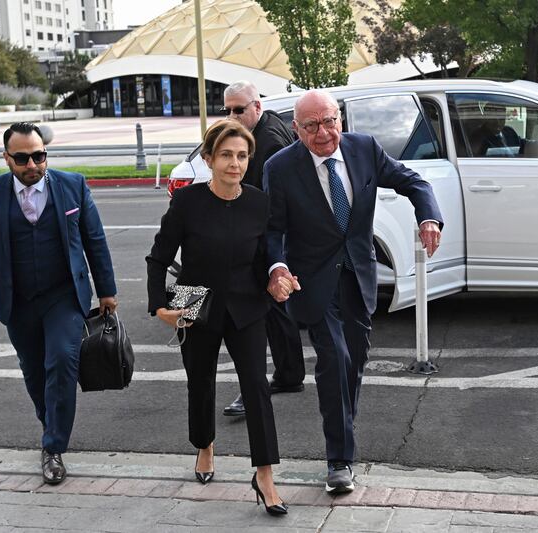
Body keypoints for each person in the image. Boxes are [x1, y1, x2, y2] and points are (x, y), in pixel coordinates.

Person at [263, 90, 443, 494]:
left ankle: (341, 421)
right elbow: (272, 230)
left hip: (359, 275)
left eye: (329, 121)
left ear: (340, 119)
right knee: (334, 356)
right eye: (311, 126)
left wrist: (429, 217)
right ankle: (339, 459)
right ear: (296, 129)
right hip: (310, 281)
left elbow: (413, 182)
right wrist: (277, 267)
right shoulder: (281, 167)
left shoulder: (364, 149)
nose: (323, 133)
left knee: (355, 358)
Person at [0, 122, 117, 485]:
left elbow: (94, 239)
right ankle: (52, 425)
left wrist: (107, 290)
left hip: (63, 295)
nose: (32, 164)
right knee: (34, 372)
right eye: (22, 158)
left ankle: (53, 447)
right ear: (6, 158)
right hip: (16, 300)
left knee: (62, 360)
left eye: (39, 155)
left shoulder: (72, 185)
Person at [146, 120, 287, 515]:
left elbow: (267, 257)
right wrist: (160, 306)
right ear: (208, 159)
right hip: (194, 301)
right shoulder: (187, 202)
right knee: (200, 382)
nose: (235, 163)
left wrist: (278, 276)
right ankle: (204, 447)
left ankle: (264, 476)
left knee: (257, 387)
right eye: (226, 155)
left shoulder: (259, 202)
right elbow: (158, 259)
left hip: (247, 303)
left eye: (242, 156)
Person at [219, 81, 305, 418]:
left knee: (259, 312)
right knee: (274, 309)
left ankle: (261, 385)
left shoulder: (267, 141)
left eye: (238, 109)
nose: (232, 116)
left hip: (265, 236)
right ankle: (287, 374)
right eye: (227, 109)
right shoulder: (266, 130)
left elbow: (265, 199)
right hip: (269, 236)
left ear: (257, 106)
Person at [467, 103, 538, 158]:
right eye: (493, 118)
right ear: (485, 118)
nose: (497, 122)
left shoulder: (508, 131)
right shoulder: (478, 137)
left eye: (501, 118)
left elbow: (525, 146)